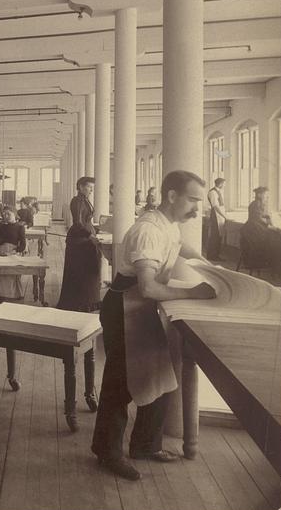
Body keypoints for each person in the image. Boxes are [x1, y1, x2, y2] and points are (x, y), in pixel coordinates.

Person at [91, 170, 216, 481]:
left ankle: (145, 444)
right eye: (193, 200)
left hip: (140, 307)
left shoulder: (168, 225)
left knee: (159, 376)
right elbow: (147, 287)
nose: (197, 208)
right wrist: (193, 293)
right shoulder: (148, 230)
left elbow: (181, 248)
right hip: (125, 305)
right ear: (172, 196)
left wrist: (211, 268)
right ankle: (107, 452)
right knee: (121, 383)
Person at [57, 176, 101, 313]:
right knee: (81, 272)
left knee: (88, 272)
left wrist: (96, 230)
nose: (91, 190)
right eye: (89, 187)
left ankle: (88, 301)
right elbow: (78, 224)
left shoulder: (85, 200)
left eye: (92, 187)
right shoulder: (77, 201)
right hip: (79, 240)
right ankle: (79, 303)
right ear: (80, 187)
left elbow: (86, 221)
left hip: (86, 238)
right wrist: (90, 235)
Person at [0, 208, 27, 299]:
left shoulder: (20, 227)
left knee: (9, 268)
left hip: (13, 251)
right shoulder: (3, 227)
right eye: (5, 215)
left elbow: (23, 245)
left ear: (15, 215)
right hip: (1, 249)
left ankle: (11, 294)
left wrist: (13, 252)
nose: (6, 216)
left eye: (8, 214)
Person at [240, 186, 281, 271]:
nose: (267, 197)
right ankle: (270, 264)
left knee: (275, 236)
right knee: (273, 238)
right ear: (259, 195)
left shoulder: (260, 204)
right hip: (252, 228)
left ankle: (271, 263)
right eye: (266, 195)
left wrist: (270, 219)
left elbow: (262, 215)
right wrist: (269, 226)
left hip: (256, 226)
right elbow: (257, 218)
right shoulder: (255, 204)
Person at [205, 178, 227, 260]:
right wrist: (224, 216)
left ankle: (216, 255)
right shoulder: (212, 192)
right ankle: (212, 256)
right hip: (216, 216)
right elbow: (215, 206)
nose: (224, 186)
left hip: (220, 216)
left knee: (218, 237)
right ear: (220, 184)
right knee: (214, 236)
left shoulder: (219, 192)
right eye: (224, 184)